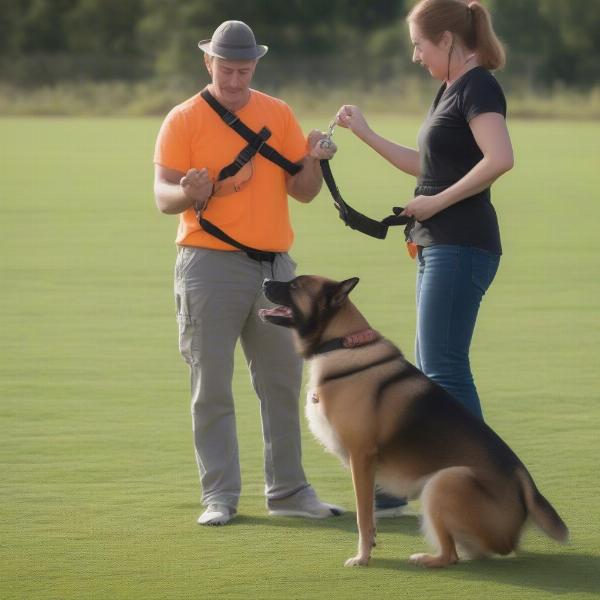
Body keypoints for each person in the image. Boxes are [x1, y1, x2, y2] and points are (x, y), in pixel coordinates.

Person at [153, 20, 344, 526]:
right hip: (207, 267)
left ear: (255, 65)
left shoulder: (277, 113)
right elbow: (162, 197)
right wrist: (189, 194)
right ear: (208, 63)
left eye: (245, 70)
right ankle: (219, 497)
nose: (236, 80)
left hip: (276, 270)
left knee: (282, 382)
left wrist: (315, 160)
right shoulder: (183, 119)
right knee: (211, 384)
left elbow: (302, 191)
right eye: (227, 70)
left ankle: (289, 491)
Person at [336, 0, 513, 513]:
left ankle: (486, 489)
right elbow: (429, 167)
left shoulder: (479, 86)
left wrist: (434, 203)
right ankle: (412, 480)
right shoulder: (450, 90)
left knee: (445, 371)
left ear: (448, 41)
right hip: (441, 245)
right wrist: (365, 135)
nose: (415, 55)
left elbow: (500, 158)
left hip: (462, 245)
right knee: (435, 369)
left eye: (418, 44)